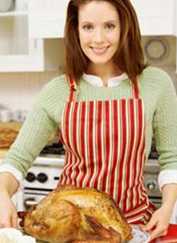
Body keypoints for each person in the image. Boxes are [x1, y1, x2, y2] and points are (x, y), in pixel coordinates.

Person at [0, 0, 177, 241]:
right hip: (69, 229)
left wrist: (167, 208)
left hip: (133, 225)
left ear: (126, 27)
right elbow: (16, 160)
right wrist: (2, 196)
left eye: (110, 26)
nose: (99, 38)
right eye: (88, 27)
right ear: (76, 30)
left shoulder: (155, 83)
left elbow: (172, 157)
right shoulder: (58, 90)